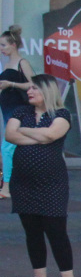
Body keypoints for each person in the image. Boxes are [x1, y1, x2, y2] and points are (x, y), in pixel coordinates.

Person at [6, 75, 75, 277]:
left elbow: (51, 135)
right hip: (23, 182)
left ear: (48, 91)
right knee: (32, 231)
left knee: (56, 230)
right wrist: (39, 136)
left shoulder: (61, 114)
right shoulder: (21, 112)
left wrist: (24, 131)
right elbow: (9, 135)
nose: (29, 91)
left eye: (34, 88)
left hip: (52, 182)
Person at [0, 25, 36, 199]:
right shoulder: (7, 63)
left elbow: (34, 84)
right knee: (11, 148)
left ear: (13, 45)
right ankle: (14, 184)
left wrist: (11, 84)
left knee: (7, 147)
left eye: (4, 45)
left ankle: (7, 186)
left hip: (18, 110)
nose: (1, 49)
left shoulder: (22, 63)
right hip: (8, 109)